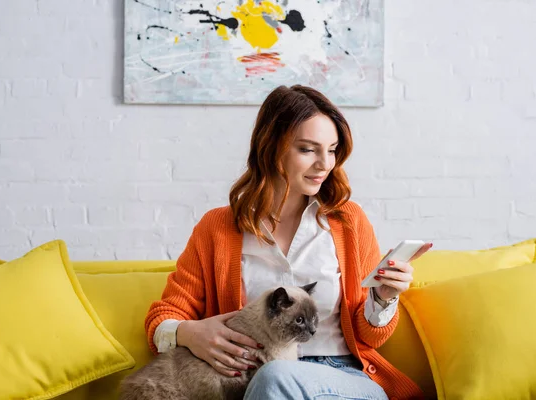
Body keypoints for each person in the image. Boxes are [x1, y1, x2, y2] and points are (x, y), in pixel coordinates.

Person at [144, 85, 432, 400]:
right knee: (271, 377)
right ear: (271, 148)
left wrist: (384, 297)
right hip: (253, 382)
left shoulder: (348, 221)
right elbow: (164, 315)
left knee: (275, 376)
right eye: (308, 149)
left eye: (332, 149)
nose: (325, 163)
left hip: (342, 378)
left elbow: (371, 338)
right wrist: (190, 333)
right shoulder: (217, 228)